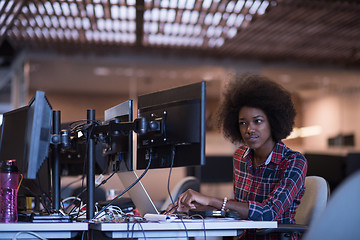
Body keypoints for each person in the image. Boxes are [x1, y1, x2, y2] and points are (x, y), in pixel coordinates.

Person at [167, 74, 307, 240]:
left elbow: (268, 213)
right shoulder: (240, 156)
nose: (249, 129)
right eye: (243, 123)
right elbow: (237, 207)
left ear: (274, 122)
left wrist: (210, 199)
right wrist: (194, 207)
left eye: (258, 121)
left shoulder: (293, 162)